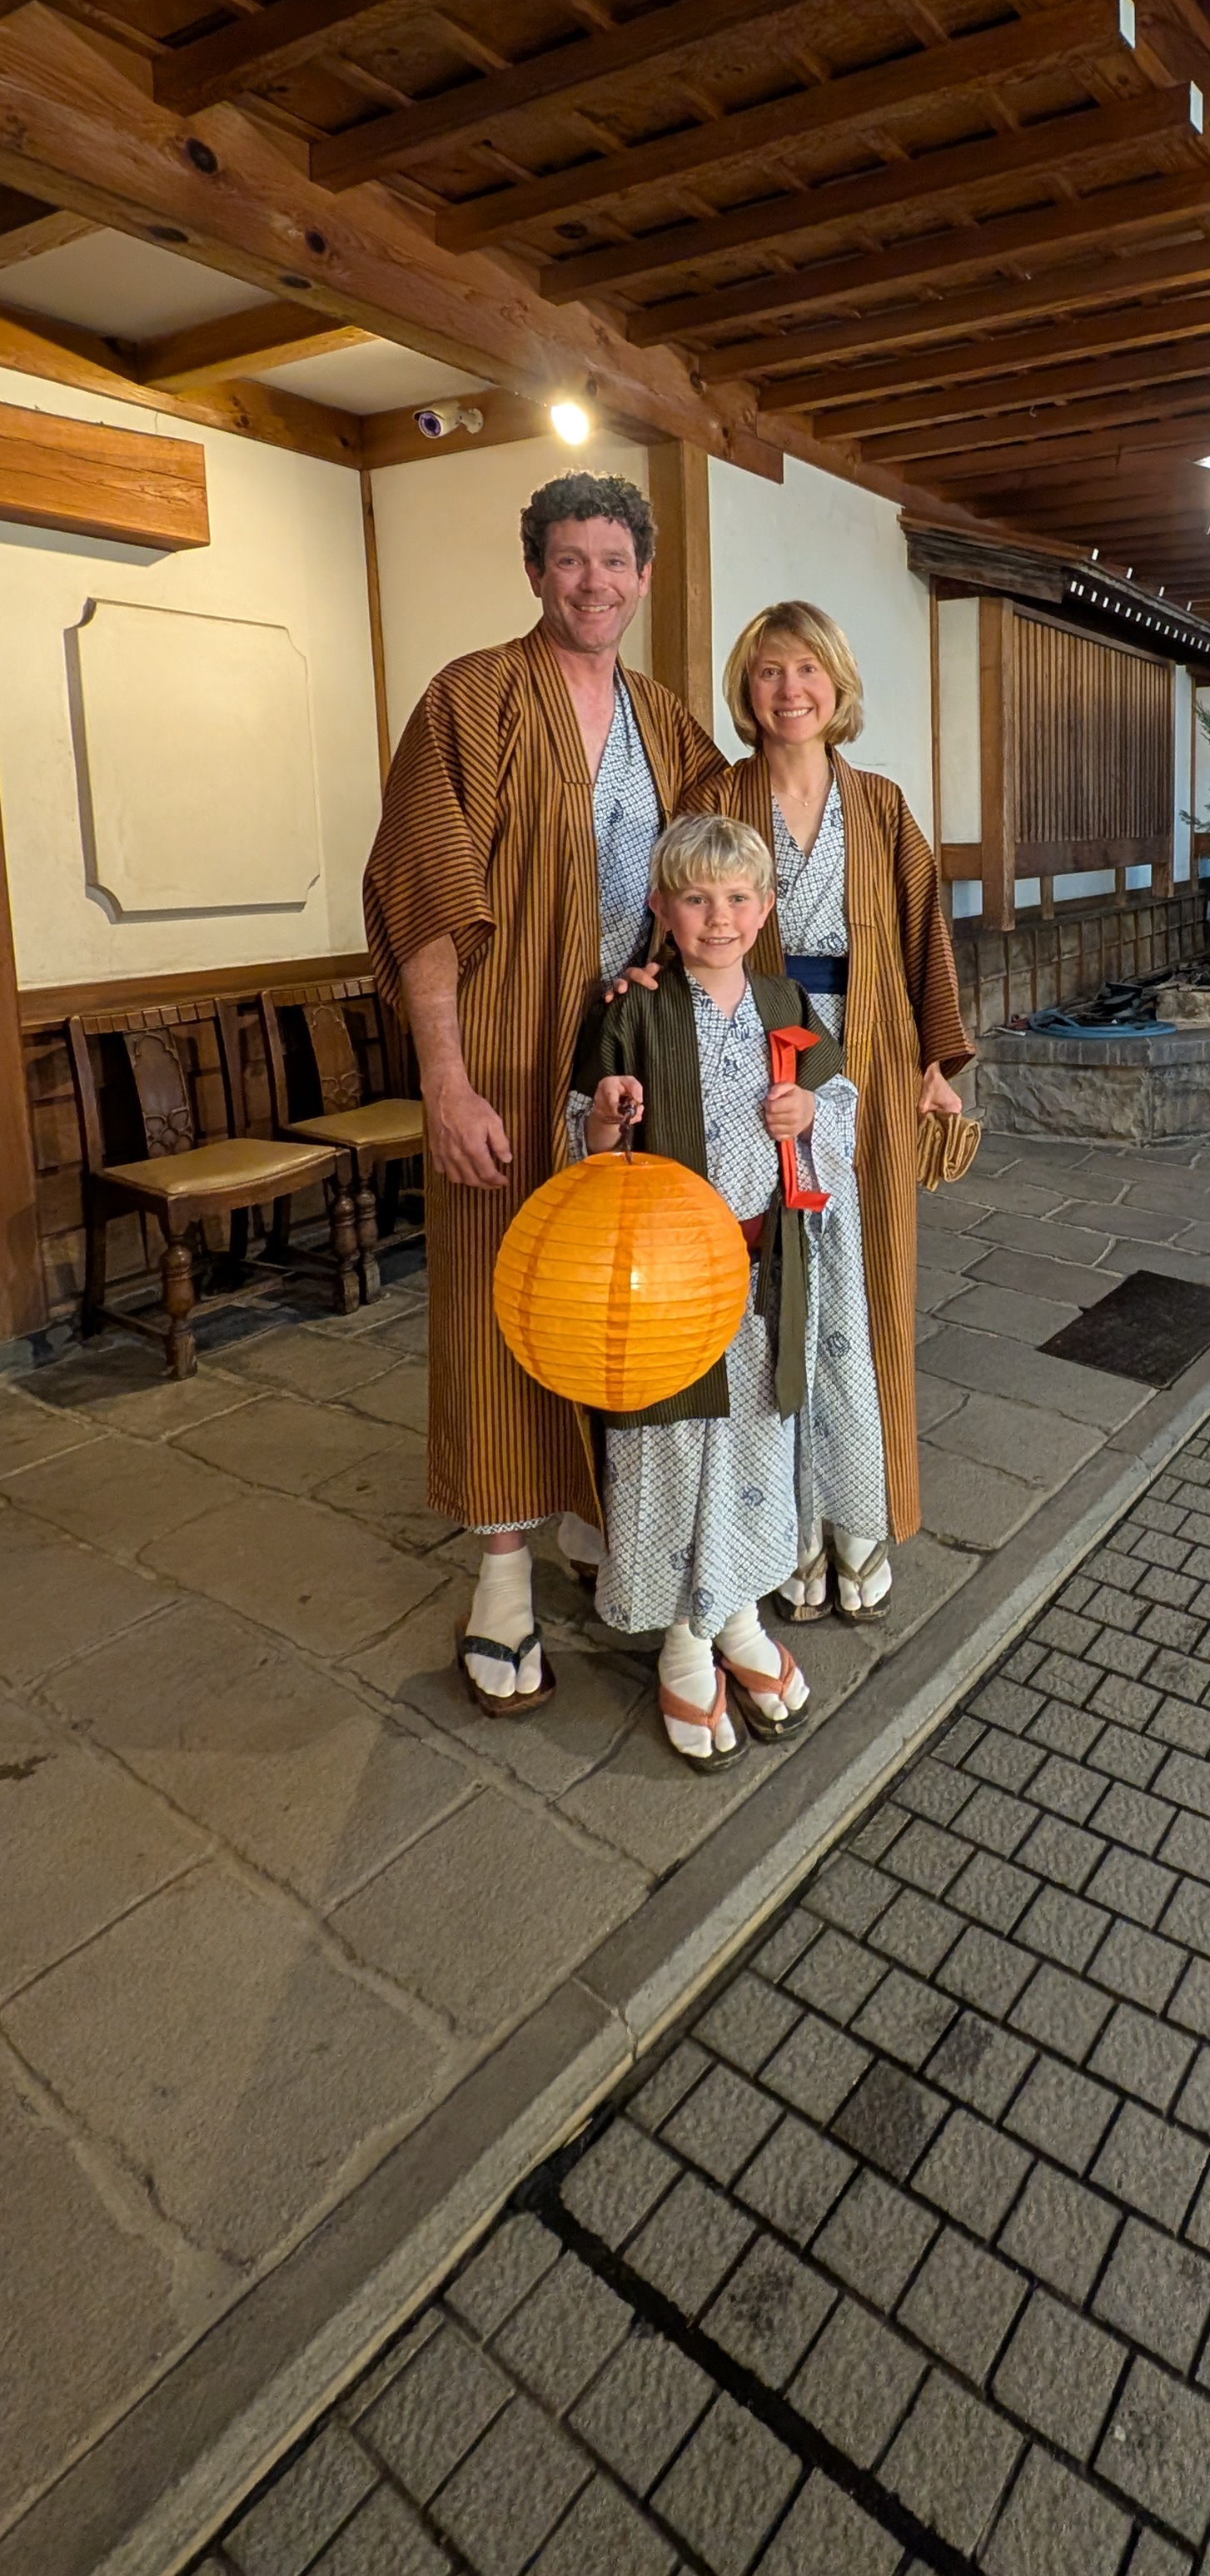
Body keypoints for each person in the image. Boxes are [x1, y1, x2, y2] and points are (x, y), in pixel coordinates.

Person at [364, 473, 723, 1716]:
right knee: (493, 1292)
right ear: (535, 573)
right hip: (505, 1053)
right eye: (569, 560)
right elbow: (423, 901)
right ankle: (503, 1567)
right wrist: (445, 1080)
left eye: (615, 561)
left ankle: (598, 1515)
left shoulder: (671, 725)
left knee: (623, 1291)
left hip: (623, 1056)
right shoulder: (470, 698)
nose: (593, 583)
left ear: (644, 574)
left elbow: (724, 875)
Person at [571, 814, 864, 1763]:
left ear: (767, 906)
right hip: (665, 1284)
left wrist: (811, 1107)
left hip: (764, 1277)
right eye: (696, 899)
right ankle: (680, 1644)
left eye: (739, 897)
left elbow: (845, 1109)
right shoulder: (634, 1010)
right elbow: (587, 1133)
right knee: (671, 1448)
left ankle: (734, 1617)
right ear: (661, 908)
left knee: (750, 1449)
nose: (719, 917)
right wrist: (610, 1120)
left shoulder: (785, 1002)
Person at [705, 603, 972, 1621]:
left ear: (837, 684)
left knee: (866, 1292)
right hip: (753, 1068)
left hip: (868, 1053)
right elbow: (677, 908)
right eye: (769, 672)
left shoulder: (884, 807)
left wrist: (936, 1064)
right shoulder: (718, 796)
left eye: (807, 669)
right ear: (749, 687)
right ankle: (787, 1524)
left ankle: (858, 1514)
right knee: (769, 1299)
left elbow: (922, 943)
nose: (789, 691)